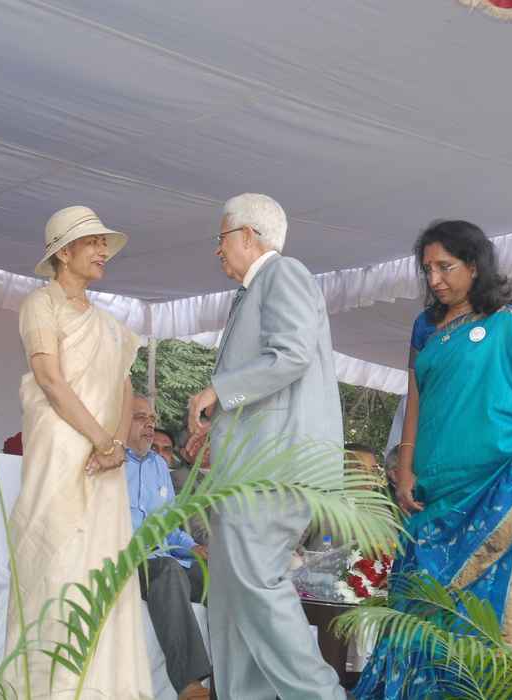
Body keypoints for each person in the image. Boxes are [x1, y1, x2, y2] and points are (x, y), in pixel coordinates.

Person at [355, 221, 512, 699]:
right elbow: (416, 398)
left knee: (483, 610)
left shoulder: (506, 323)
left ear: (474, 266)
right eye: (427, 269)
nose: (434, 279)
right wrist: (405, 465)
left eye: (445, 267)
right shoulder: (425, 326)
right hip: (432, 490)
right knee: (421, 601)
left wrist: (508, 464)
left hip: (490, 490)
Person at [187, 193, 347, 699]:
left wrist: (219, 390)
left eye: (221, 237)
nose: (217, 249)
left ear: (248, 236)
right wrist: (218, 427)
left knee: (257, 587)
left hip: (274, 469)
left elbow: (292, 354)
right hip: (247, 469)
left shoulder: (284, 273)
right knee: (231, 600)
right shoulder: (251, 291)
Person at [2, 206, 151, 698]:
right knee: (55, 567)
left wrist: (117, 445)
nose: (104, 250)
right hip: (60, 451)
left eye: (104, 242)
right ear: (64, 253)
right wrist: (101, 440)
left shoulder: (111, 326)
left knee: (102, 571)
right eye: (93, 242)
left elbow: (126, 389)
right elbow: (49, 378)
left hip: (106, 462)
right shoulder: (39, 304)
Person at [125, 396, 211, 699]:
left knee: (220, 577)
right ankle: (188, 682)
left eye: (152, 418)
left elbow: (170, 527)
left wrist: (194, 547)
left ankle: (233, 677)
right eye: (140, 417)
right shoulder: (111, 462)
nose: (150, 424)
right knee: (168, 569)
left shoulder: (159, 467)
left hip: (164, 559)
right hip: (126, 562)